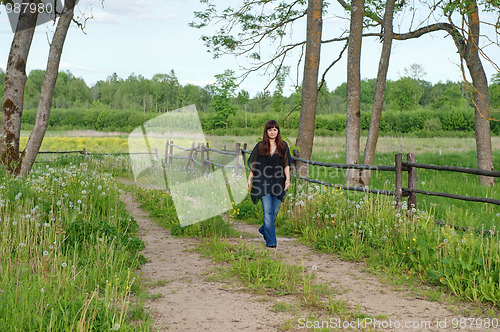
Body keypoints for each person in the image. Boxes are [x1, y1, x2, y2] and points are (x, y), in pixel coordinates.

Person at [247, 119, 292, 248]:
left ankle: (264, 229)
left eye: (275, 129)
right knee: (267, 210)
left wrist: (287, 179)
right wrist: (250, 179)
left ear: (278, 131)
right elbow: (254, 165)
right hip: (262, 182)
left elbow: (286, 165)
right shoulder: (260, 146)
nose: (272, 132)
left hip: (278, 182)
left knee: (275, 211)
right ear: (266, 131)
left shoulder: (283, 146)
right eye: (270, 129)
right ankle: (271, 241)